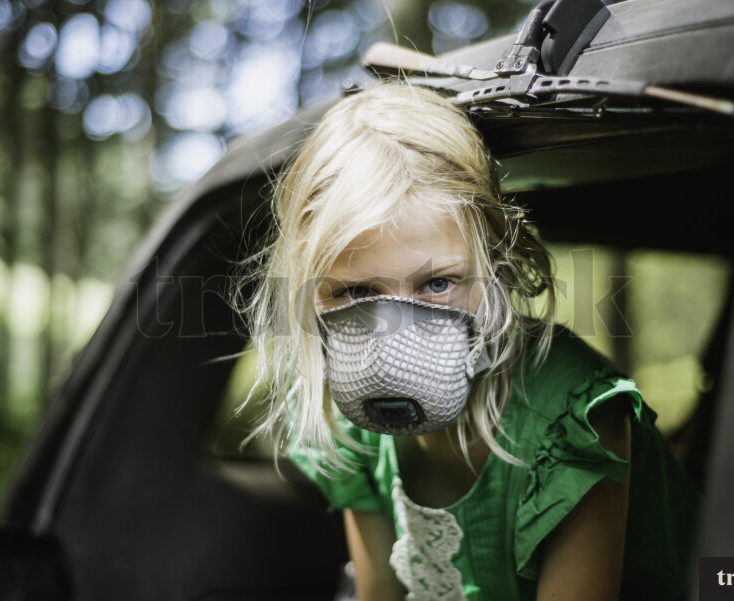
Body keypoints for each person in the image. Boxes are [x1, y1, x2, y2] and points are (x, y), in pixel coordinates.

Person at [237, 83, 699, 601]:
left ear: (493, 263)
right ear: (311, 291)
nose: (398, 339)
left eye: (438, 283)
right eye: (358, 291)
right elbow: (378, 594)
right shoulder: (348, 424)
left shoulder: (574, 418)